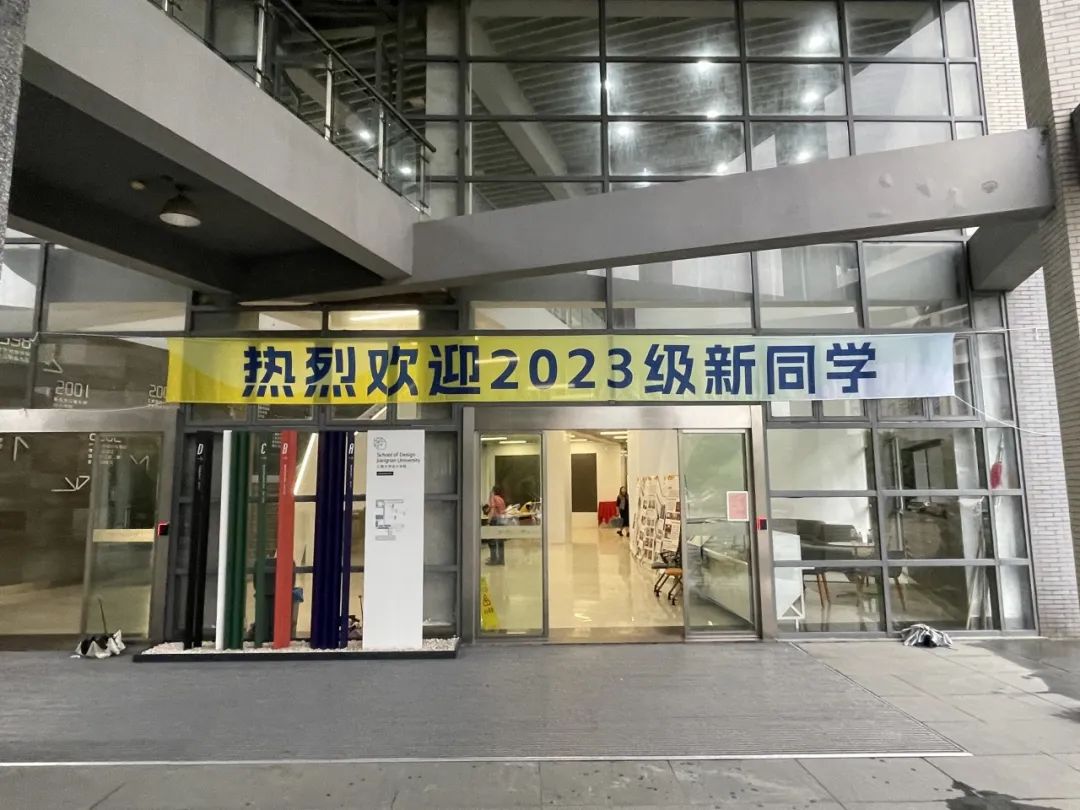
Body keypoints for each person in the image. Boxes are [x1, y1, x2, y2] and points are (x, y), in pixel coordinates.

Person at [486, 485, 507, 565]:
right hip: (501, 520)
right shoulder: (501, 499)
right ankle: (501, 560)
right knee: (500, 542)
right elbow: (503, 510)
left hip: (495, 520)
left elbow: (492, 509)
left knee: (492, 542)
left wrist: (488, 522)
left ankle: (493, 559)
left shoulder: (493, 498)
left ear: (493, 491)